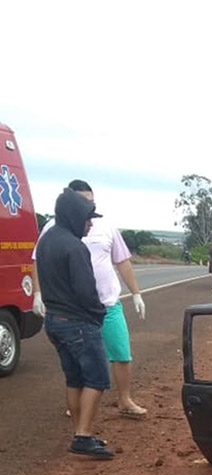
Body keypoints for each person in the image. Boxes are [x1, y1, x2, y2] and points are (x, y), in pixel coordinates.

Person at [33, 180, 148, 419]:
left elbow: (122, 261)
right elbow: (37, 260)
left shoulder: (105, 226)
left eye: (92, 201)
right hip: (75, 310)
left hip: (107, 304)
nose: (89, 208)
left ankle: (124, 400)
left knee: (121, 353)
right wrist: (37, 293)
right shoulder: (53, 229)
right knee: (80, 367)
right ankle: (80, 416)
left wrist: (136, 292)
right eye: (84, 202)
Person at [35, 188, 114, 458]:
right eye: (87, 218)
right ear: (74, 216)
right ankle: (83, 436)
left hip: (54, 321)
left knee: (74, 379)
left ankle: (81, 432)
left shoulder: (46, 241)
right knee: (97, 379)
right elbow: (86, 291)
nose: (90, 223)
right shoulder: (74, 246)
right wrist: (98, 313)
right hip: (78, 323)